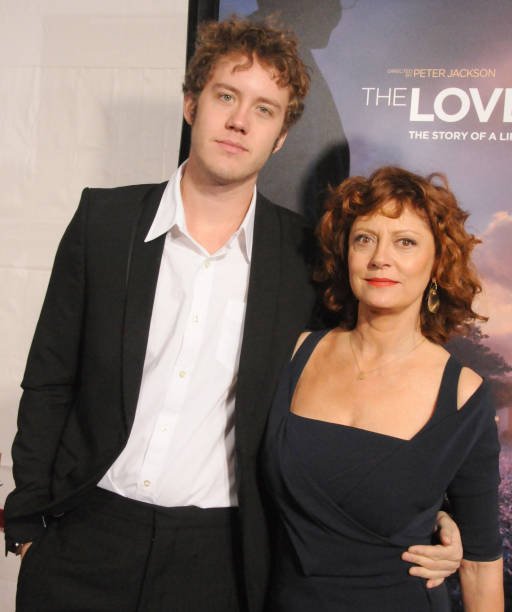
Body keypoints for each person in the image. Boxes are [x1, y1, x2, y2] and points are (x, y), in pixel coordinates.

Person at [5, 17, 461, 612]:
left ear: (279, 138)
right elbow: (48, 380)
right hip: (84, 538)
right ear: (193, 103)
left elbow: (363, 387)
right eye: (226, 96)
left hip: (220, 559)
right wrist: (28, 523)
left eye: (265, 109)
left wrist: (438, 511)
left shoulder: (305, 259)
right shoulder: (105, 223)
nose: (240, 120)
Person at [263, 166, 504, 611]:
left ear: (437, 263)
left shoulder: (463, 396)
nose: (380, 258)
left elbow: (479, 564)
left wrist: (441, 524)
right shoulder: (294, 354)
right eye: (364, 239)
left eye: (405, 242)